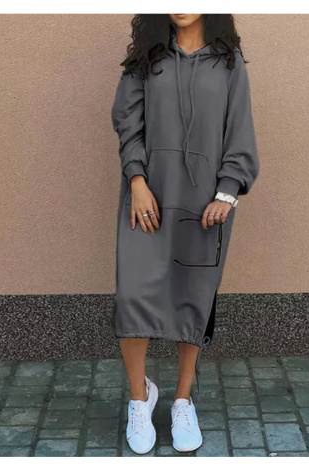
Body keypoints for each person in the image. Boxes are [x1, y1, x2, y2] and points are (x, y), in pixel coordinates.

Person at [111, 13, 260, 454]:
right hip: (147, 200)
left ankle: (182, 399)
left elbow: (240, 129)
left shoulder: (229, 61)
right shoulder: (147, 58)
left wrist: (228, 191)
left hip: (203, 206)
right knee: (133, 296)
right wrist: (137, 181)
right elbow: (127, 121)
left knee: (192, 298)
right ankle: (139, 399)